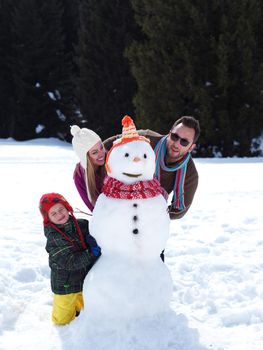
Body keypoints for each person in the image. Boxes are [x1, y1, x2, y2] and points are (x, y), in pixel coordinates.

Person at [104, 115, 200, 220]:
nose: (177, 144)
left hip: (147, 215)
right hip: (116, 200)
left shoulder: (190, 174)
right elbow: (113, 143)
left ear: (191, 147)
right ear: (169, 134)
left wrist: (154, 213)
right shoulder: (146, 140)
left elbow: (179, 211)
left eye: (184, 142)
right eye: (175, 136)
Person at [39, 192, 101, 325]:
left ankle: (78, 315)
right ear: (48, 218)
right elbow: (70, 262)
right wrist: (91, 253)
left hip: (82, 279)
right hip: (65, 285)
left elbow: (96, 231)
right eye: (53, 213)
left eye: (60, 209)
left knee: (83, 307)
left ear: (67, 207)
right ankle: (63, 329)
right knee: (63, 319)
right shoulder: (54, 238)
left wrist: (93, 238)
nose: (59, 215)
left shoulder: (82, 224)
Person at [70, 125, 106, 212]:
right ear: (85, 157)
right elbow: (93, 209)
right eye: (94, 152)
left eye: (101, 147)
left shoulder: (112, 158)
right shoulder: (79, 176)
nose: (101, 154)